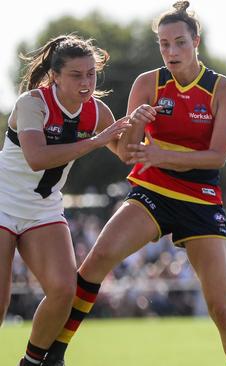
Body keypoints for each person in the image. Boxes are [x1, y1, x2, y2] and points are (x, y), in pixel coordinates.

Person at [43, 2, 226, 365]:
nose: (171, 51)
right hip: (152, 191)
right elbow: (127, 153)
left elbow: (217, 156)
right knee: (96, 261)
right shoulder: (148, 83)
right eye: (163, 44)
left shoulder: (223, 89)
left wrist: (162, 156)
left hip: (201, 200)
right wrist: (138, 121)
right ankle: (56, 352)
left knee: (222, 310)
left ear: (196, 42)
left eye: (179, 43)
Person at [0, 34, 129, 366]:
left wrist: (141, 124)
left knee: (63, 290)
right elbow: (36, 158)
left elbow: (126, 154)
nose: (86, 83)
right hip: (2, 203)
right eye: (76, 75)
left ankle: (31, 362)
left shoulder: (97, 111)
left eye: (91, 74)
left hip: (43, 209)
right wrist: (96, 141)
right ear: (55, 75)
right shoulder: (32, 103)